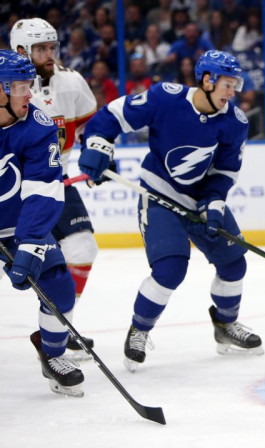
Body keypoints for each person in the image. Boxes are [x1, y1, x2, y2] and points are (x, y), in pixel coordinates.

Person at [77, 50, 263, 372]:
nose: (233, 93)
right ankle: (139, 331)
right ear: (207, 80)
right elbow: (113, 116)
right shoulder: (166, 98)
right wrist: (98, 145)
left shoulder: (234, 123)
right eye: (228, 85)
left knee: (234, 263)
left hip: (199, 199)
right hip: (160, 195)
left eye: (236, 85)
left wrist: (214, 201)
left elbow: (225, 171)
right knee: (170, 269)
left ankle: (225, 325)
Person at [11, 18, 99, 359]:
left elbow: (92, 126)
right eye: (40, 49)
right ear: (21, 50)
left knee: (82, 250)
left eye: (52, 47)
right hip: (11, 188)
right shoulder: (7, 86)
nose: (49, 54)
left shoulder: (71, 82)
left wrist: (99, 150)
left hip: (54, 180)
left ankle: (59, 327)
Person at [0, 50, 85, 397]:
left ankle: (52, 354)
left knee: (58, 285)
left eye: (29, 84)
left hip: (15, 225)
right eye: (20, 86)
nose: (29, 94)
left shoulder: (38, 124)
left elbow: (44, 191)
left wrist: (30, 242)